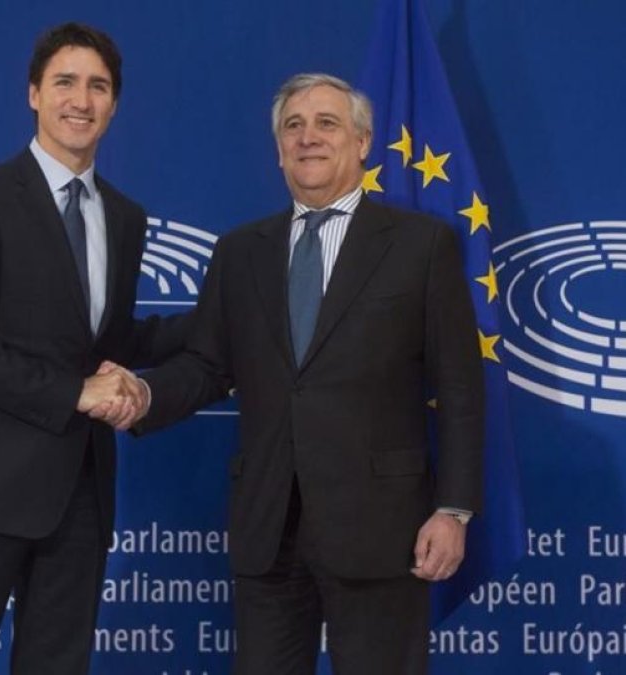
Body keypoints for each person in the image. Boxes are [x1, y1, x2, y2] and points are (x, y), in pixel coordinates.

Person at [97, 73, 484, 675]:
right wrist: (144, 394)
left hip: (381, 526)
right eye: (293, 127)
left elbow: (460, 388)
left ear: (361, 143)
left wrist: (453, 509)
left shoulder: (420, 246)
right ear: (278, 150)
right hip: (268, 526)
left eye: (326, 124)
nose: (308, 138)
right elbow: (207, 363)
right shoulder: (240, 252)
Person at [0, 22, 186, 675]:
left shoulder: (124, 216)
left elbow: (108, 340)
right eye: (65, 82)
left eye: (98, 86)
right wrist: (75, 392)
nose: (81, 100)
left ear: (115, 104)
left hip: (80, 492)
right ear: (33, 94)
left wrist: (224, 321)